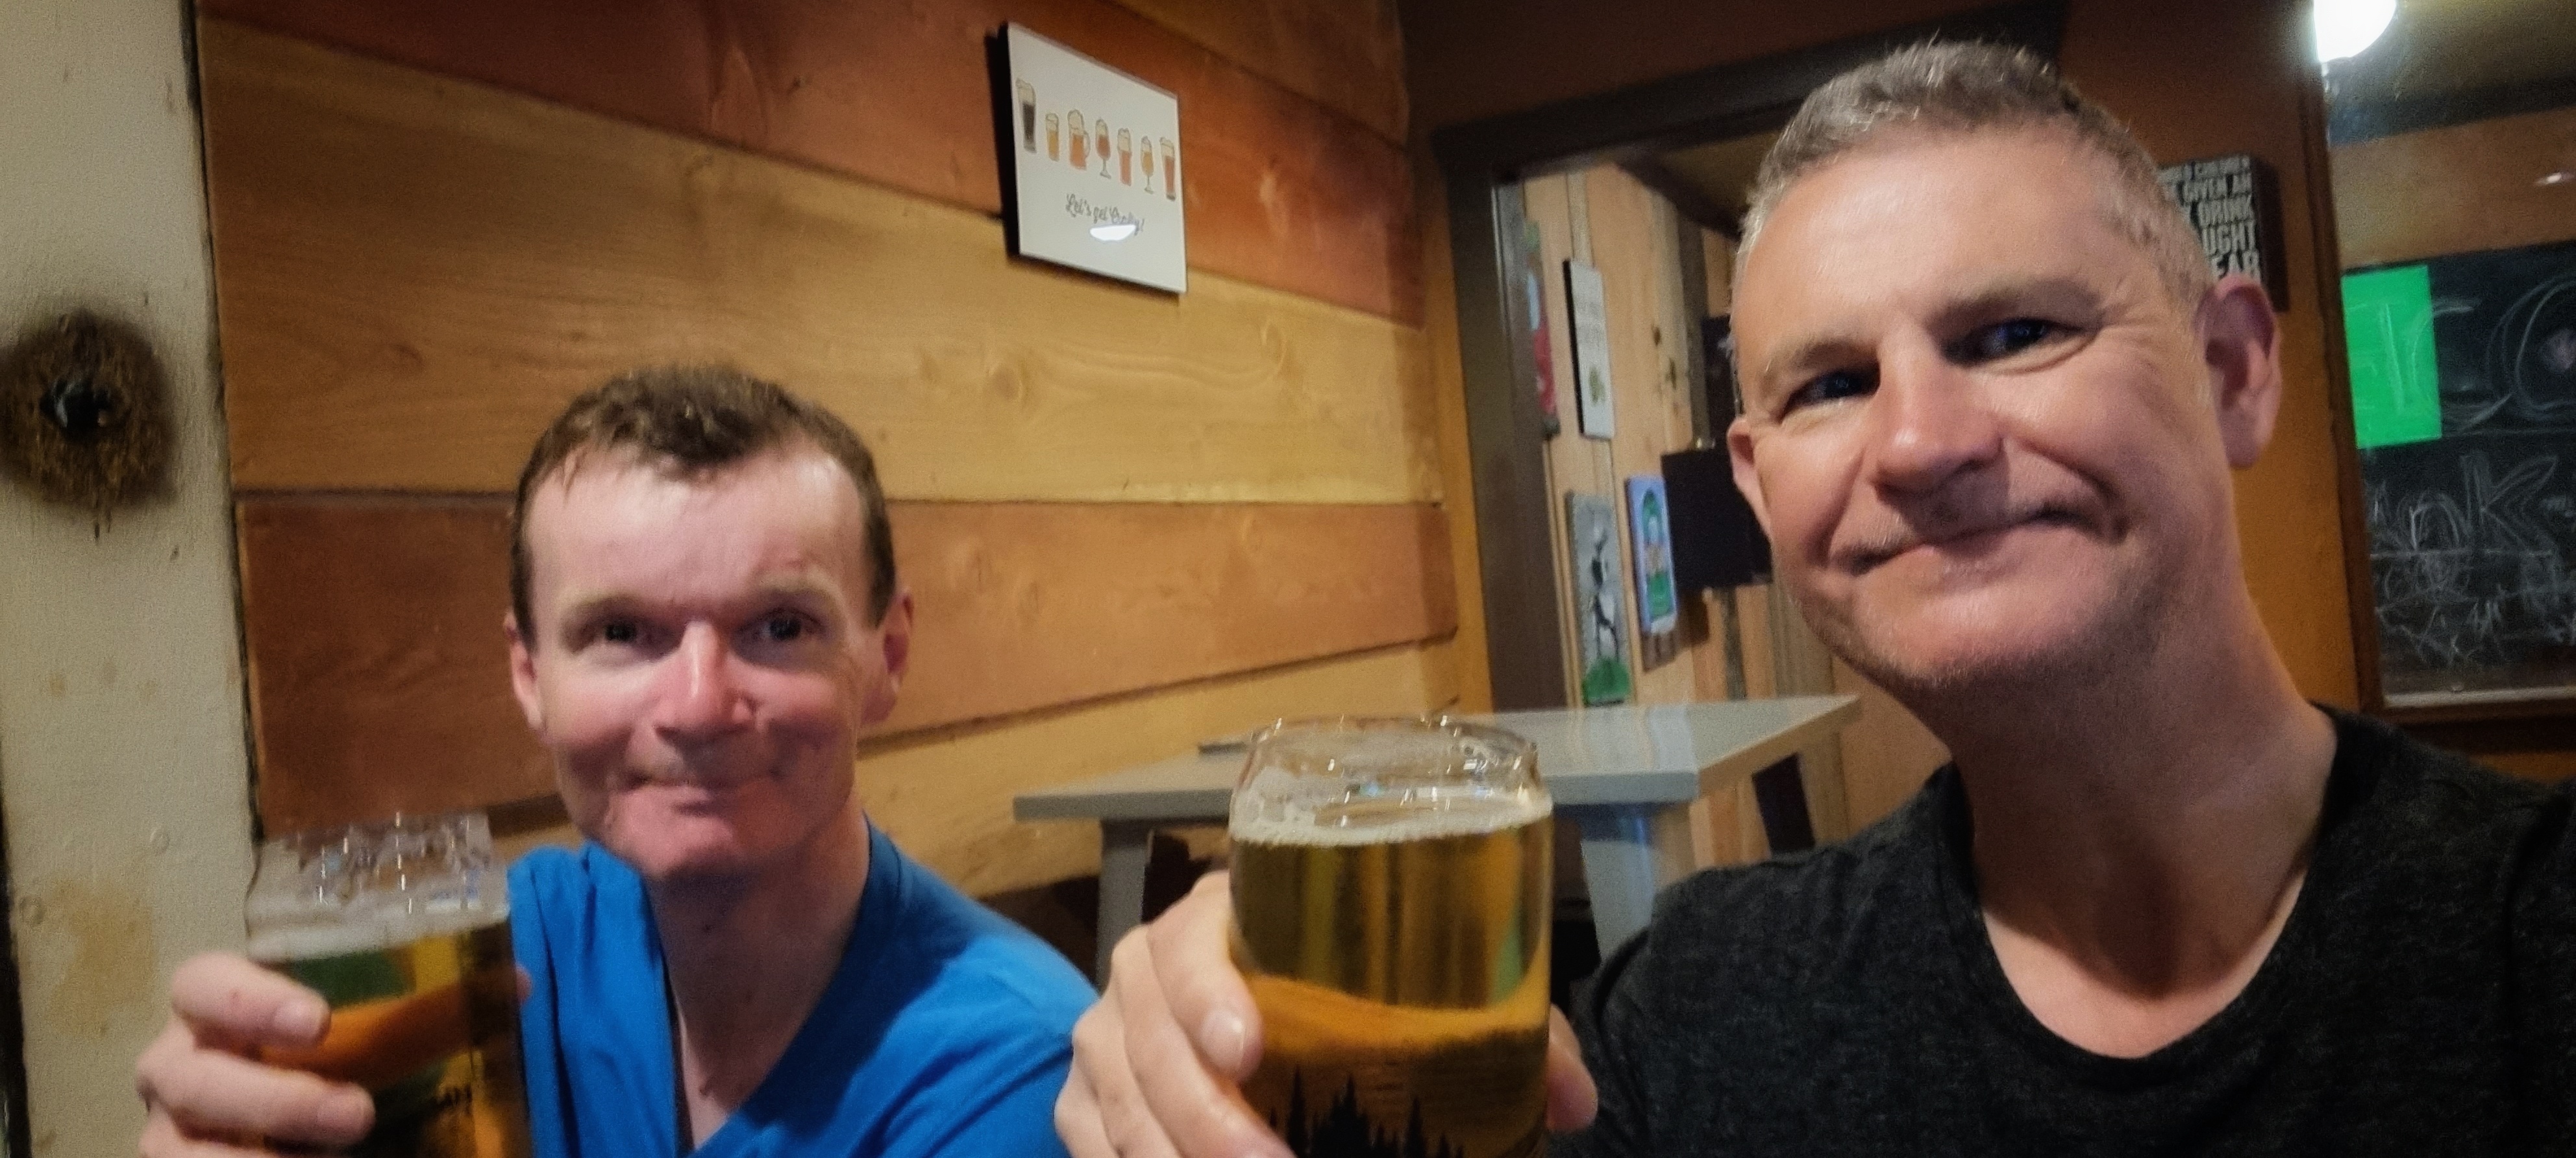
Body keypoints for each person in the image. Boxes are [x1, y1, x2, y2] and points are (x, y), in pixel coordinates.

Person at [1055, 43, 2576, 1156]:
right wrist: (1210, 1064)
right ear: (1759, 479)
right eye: (1831, 384)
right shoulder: (1695, 1012)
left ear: (2233, 370)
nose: (1917, 443)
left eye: (2011, 334)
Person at [136, 367, 1095, 1157]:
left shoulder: (1012, 1067)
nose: (698, 707)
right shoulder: (503, 953)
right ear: (529, 675)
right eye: (622, 632)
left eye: (779, 626)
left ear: (887, 657)